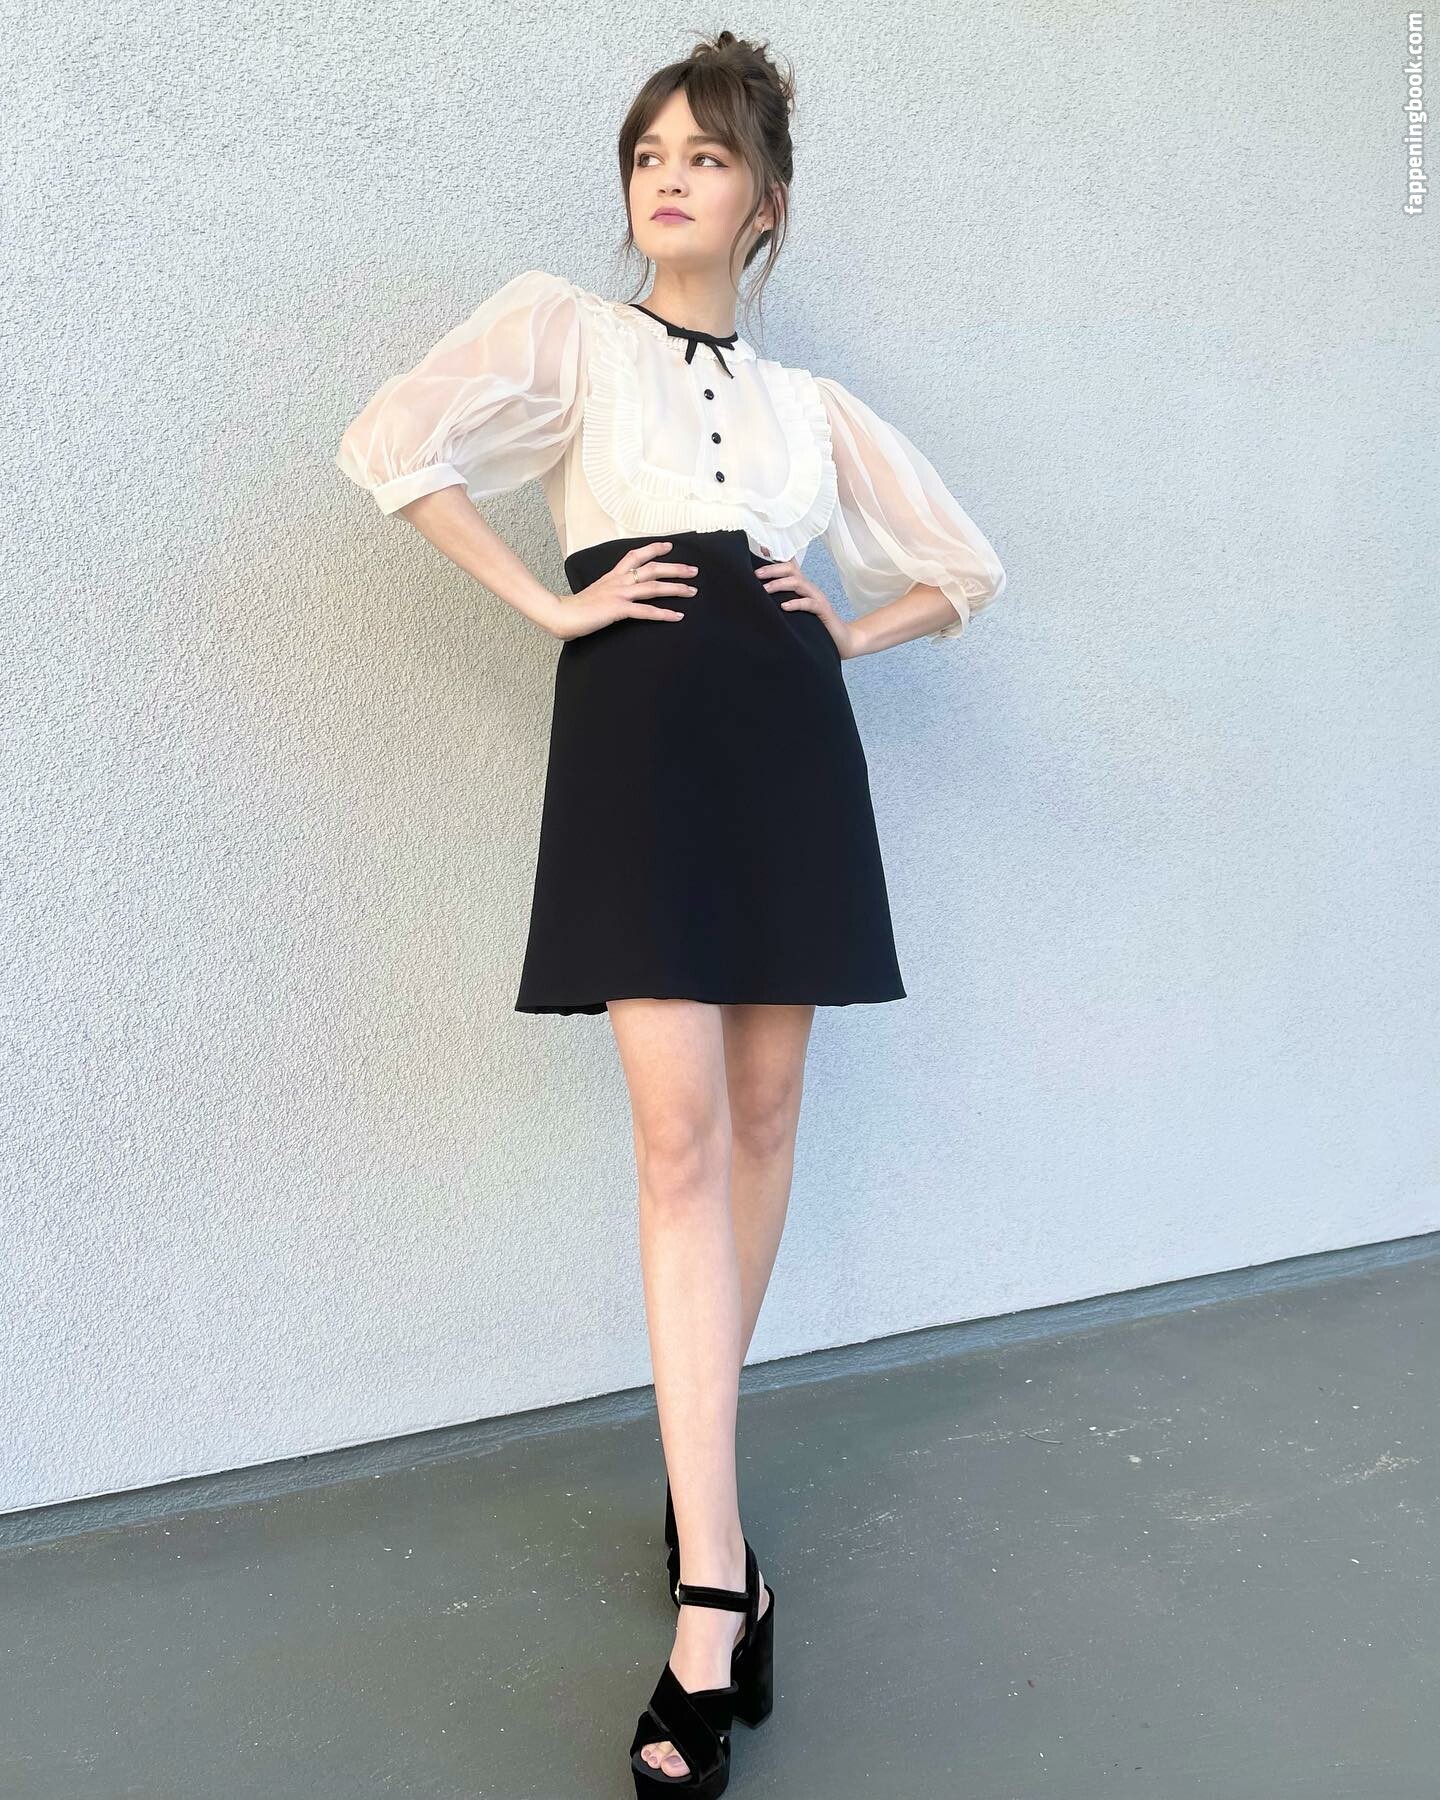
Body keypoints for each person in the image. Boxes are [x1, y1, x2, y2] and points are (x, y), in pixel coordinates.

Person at [336, 28, 1006, 1796]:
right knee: (677, 1135)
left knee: (767, 1117)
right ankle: (718, 1585)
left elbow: (964, 567)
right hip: (639, 745)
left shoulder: (810, 414)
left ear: (765, 201)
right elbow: (394, 443)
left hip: (787, 747)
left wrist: (851, 627)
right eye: (650, 152)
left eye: (706, 156)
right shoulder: (567, 335)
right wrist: (551, 606)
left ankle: (704, 1502)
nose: (670, 178)